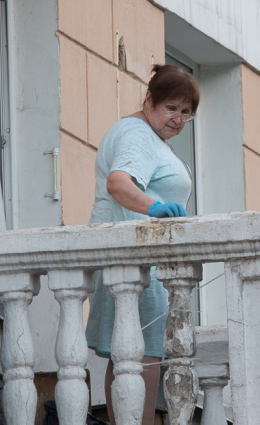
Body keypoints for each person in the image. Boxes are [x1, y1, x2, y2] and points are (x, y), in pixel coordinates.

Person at [84, 64, 200, 425]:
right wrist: (156, 209)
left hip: (135, 260)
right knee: (139, 356)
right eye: (171, 108)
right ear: (149, 100)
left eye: (186, 113)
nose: (178, 119)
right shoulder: (137, 135)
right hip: (131, 260)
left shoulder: (148, 136)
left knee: (128, 356)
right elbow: (119, 183)